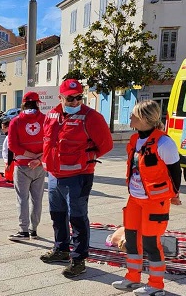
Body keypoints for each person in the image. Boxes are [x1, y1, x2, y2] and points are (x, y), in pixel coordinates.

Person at [40, 78, 113, 277]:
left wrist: (87, 157)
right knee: (57, 214)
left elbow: (106, 145)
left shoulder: (92, 117)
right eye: (70, 98)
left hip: (78, 176)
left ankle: (79, 259)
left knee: (77, 218)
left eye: (79, 98)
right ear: (60, 97)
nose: (75, 102)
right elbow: (47, 142)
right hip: (54, 175)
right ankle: (61, 249)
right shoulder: (52, 115)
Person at [112, 101, 182, 296]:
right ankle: (133, 278)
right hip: (135, 198)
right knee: (132, 240)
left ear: (144, 119)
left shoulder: (164, 143)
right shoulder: (135, 140)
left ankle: (156, 285)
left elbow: (175, 172)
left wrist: (174, 195)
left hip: (155, 202)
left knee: (151, 243)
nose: (130, 118)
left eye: (134, 115)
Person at [7, 92, 46, 240]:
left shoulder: (15, 121)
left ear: (23, 104)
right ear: (37, 103)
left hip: (23, 165)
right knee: (37, 199)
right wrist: (39, 158)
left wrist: (29, 155)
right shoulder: (45, 119)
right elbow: (51, 141)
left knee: (22, 198)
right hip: (40, 166)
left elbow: (12, 145)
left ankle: (23, 230)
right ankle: (34, 230)